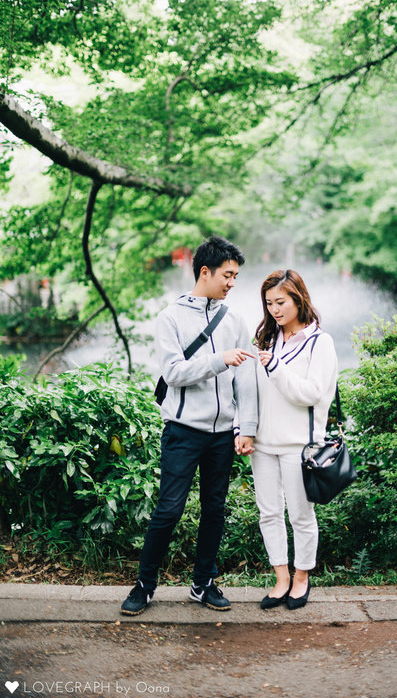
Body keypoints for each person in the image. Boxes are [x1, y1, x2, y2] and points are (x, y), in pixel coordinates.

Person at [121, 236, 257, 615]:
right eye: (227, 275)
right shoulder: (171, 317)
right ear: (204, 272)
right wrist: (219, 359)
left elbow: (245, 378)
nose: (232, 282)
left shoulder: (235, 319)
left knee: (215, 509)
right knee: (169, 510)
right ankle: (145, 586)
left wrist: (246, 426)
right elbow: (174, 372)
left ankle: (203, 583)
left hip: (222, 434)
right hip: (182, 431)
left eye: (235, 276)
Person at [252, 269, 338, 610]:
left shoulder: (321, 342)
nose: (274, 309)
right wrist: (242, 430)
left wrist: (275, 367)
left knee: (301, 515)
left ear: (298, 299)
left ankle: (302, 577)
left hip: (299, 446)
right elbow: (250, 390)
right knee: (268, 513)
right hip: (261, 443)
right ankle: (281, 577)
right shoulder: (266, 340)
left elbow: (311, 394)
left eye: (281, 302)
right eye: (269, 303)